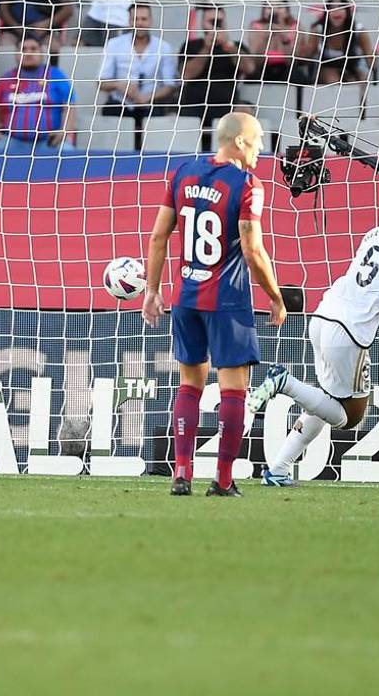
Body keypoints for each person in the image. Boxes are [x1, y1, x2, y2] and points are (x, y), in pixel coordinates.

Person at [254, 181, 379, 487]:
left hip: (323, 316)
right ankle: (285, 382)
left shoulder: (377, 232)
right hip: (349, 334)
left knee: (325, 401)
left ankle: (278, 469)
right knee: (350, 417)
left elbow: (376, 289)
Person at [141, 112, 287, 497]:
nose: (260, 149)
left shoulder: (183, 173)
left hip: (185, 296)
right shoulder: (247, 184)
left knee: (189, 384)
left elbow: (159, 237)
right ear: (238, 141)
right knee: (233, 390)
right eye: (256, 140)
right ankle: (222, 480)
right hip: (226, 300)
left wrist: (151, 291)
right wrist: (275, 296)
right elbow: (253, 249)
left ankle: (181, 473)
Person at [0, 32, 76, 153]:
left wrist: (64, 131)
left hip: (48, 143)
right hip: (12, 142)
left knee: (67, 150)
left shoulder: (56, 76)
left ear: (42, 52)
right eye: (23, 49)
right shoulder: (6, 79)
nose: (28, 53)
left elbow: (70, 107)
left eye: (33, 49)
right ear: (16, 54)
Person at [178, 4, 256, 131]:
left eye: (219, 22)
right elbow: (186, 75)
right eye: (211, 22)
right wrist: (207, 48)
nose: (215, 26)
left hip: (226, 106)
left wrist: (229, 47)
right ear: (203, 23)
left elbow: (250, 68)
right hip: (194, 106)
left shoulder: (236, 46)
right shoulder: (191, 46)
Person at [99, 2, 179, 122]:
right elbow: (101, 82)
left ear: (151, 21)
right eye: (135, 19)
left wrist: (147, 98)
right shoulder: (114, 44)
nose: (140, 23)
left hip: (151, 105)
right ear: (129, 22)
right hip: (120, 104)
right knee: (110, 112)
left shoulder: (164, 47)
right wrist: (120, 85)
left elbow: (171, 85)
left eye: (144, 19)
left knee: (158, 117)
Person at [298, 0, 376, 85]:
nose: (336, 11)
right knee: (333, 78)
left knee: (360, 81)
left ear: (347, 11)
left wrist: (374, 59)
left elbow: (370, 60)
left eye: (341, 7)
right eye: (332, 7)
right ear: (327, 12)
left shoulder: (358, 31)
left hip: (350, 68)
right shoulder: (318, 30)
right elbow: (307, 56)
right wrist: (302, 50)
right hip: (326, 68)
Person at [245, 0, 306, 83]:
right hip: (263, 68)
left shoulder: (295, 27)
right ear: (263, 10)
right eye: (270, 7)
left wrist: (283, 37)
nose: (274, 10)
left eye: (279, 7)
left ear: (287, 11)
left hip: (287, 69)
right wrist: (267, 36)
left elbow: (294, 60)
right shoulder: (256, 27)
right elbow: (255, 60)